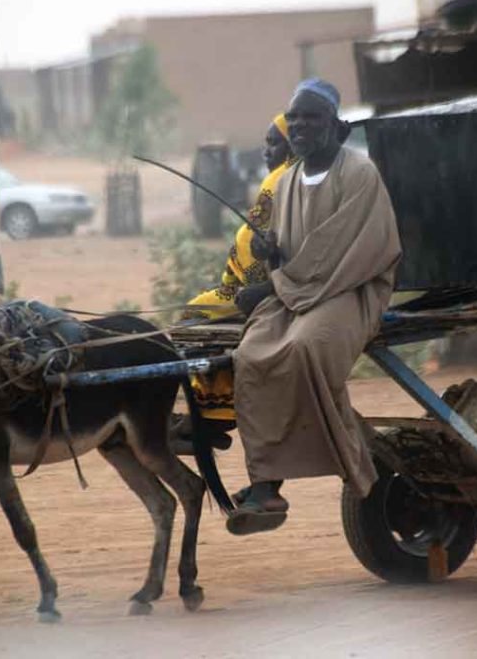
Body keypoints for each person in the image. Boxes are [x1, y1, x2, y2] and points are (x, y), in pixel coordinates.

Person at [227, 78, 402, 535]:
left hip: (348, 290)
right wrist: (272, 257)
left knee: (304, 348)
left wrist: (270, 288)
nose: (301, 125)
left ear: (336, 127)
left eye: (312, 117)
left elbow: (340, 252)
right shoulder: (286, 182)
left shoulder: (359, 174)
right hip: (295, 291)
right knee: (250, 355)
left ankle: (353, 462)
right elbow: (294, 252)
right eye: (295, 118)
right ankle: (265, 483)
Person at [172, 114, 296, 448]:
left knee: (193, 317)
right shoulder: (295, 176)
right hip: (264, 283)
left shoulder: (278, 180)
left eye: (274, 142)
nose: (266, 149)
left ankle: (217, 412)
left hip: (261, 289)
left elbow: (262, 236)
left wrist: (253, 286)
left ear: (290, 144)